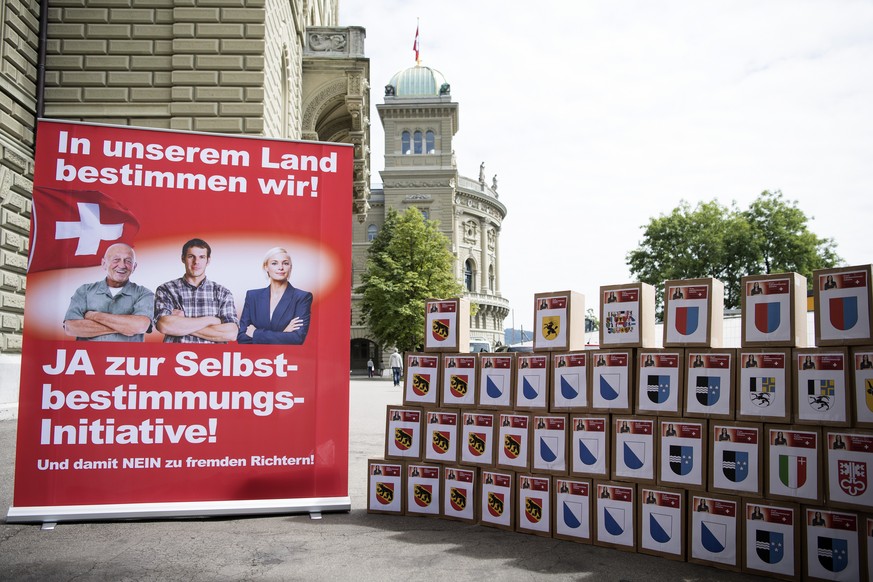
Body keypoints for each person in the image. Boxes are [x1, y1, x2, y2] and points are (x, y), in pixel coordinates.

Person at [63, 243, 153, 342]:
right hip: (88, 356)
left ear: (134, 267)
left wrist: (94, 316)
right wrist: (125, 327)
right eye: (116, 260)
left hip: (127, 356)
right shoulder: (84, 291)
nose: (122, 265)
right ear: (104, 263)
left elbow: (140, 327)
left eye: (128, 261)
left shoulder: (144, 294)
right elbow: (71, 328)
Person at [154, 238, 238, 343]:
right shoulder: (167, 290)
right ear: (183, 258)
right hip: (175, 357)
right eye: (191, 256)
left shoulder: (222, 293)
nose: (196, 262)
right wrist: (211, 320)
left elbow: (231, 334)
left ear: (208, 260)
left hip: (212, 358)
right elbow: (164, 326)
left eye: (201, 257)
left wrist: (180, 326)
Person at [237, 247, 312, 345]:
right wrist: (283, 334)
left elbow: (297, 338)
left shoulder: (302, 297)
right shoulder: (253, 296)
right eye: (274, 263)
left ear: (290, 267)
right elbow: (242, 337)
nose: (280, 267)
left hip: (284, 359)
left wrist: (256, 333)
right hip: (256, 359)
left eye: (285, 263)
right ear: (266, 267)